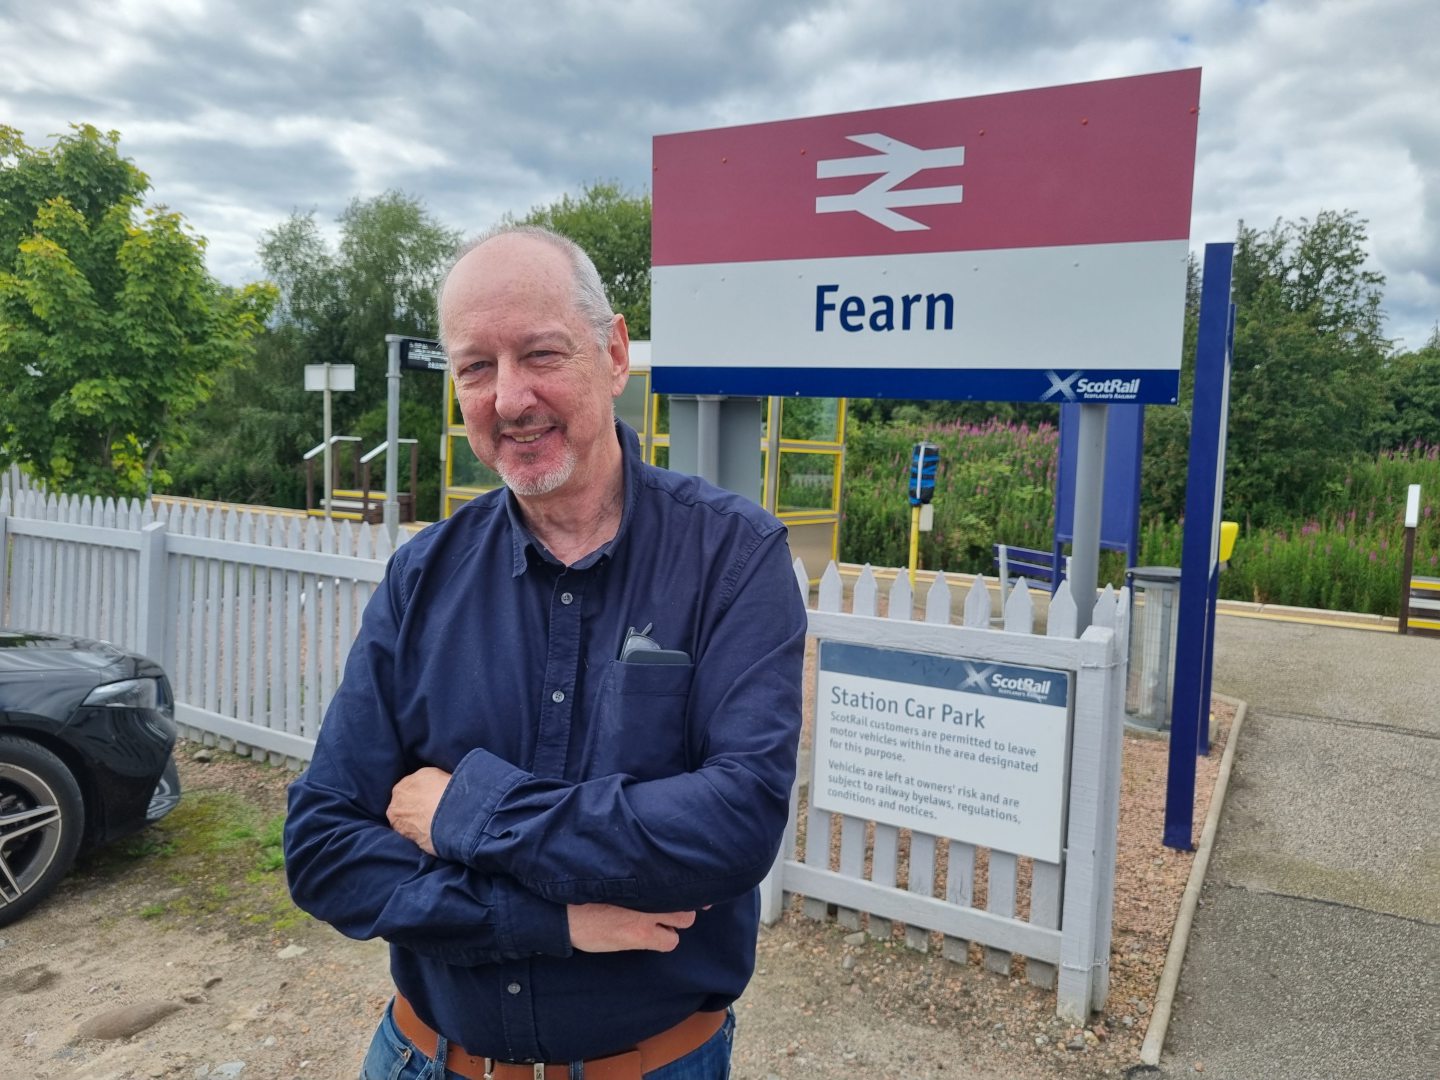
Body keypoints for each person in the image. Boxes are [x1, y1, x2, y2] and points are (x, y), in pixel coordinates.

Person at [283, 224, 807, 1080]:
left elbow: (734, 826)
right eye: (476, 368)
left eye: (540, 354)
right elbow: (324, 847)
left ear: (613, 353)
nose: (511, 398)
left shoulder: (732, 560)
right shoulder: (424, 575)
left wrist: (467, 813)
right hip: (424, 1058)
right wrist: (550, 920)